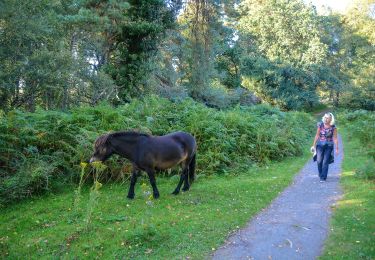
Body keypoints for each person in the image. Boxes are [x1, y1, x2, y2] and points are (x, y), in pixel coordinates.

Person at [311, 112, 339, 182]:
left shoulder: (333, 127)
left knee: (325, 161)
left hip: (329, 146)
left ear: (331, 119)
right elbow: (317, 135)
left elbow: (335, 138)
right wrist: (313, 145)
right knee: (319, 161)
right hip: (320, 145)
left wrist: (337, 148)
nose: (326, 119)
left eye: (328, 118)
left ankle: (323, 177)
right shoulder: (320, 125)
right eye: (325, 118)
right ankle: (321, 174)